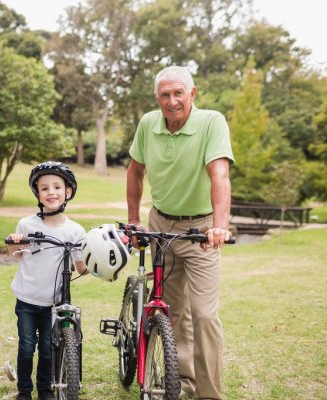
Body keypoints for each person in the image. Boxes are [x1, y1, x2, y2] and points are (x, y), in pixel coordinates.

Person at [126, 66, 234, 400]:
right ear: (157, 97)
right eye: (164, 95)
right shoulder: (148, 124)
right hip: (160, 226)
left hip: (201, 231)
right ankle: (182, 381)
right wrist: (134, 220)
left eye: (178, 94)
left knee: (203, 314)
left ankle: (209, 394)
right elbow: (135, 172)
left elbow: (219, 174)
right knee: (171, 311)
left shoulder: (211, 122)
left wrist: (219, 224)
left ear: (193, 93)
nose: (172, 102)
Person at [6, 161, 87, 400]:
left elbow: (80, 265)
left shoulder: (75, 231)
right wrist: (16, 241)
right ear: (37, 193)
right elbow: (15, 253)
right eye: (44, 188)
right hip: (28, 299)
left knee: (48, 350)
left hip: (55, 302)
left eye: (57, 187)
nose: (51, 192)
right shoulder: (27, 224)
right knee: (27, 347)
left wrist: (96, 266)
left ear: (67, 192)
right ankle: (24, 390)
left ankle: (45, 389)